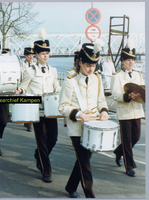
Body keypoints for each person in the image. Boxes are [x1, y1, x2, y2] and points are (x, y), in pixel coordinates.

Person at [58, 41, 109, 198]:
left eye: (93, 65)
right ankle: (90, 195)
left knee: (83, 160)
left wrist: (104, 111)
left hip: (93, 126)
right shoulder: (70, 80)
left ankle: (70, 187)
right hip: (77, 128)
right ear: (80, 62)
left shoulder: (97, 79)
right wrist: (79, 114)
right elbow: (62, 106)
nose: (90, 68)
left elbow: (101, 101)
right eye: (87, 65)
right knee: (85, 164)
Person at [14, 29, 61, 183]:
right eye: (42, 53)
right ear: (36, 54)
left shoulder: (53, 71)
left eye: (47, 53)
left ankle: (38, 155)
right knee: (41, 139)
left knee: (53, 138)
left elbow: (57, 88)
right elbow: (24, 86)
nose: (45, 55)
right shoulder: (30, 71)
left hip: (51, 109)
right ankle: (46, 169)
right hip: (36, 109)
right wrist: (19, 90)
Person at [111, 40, 144, 177]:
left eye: (132, 60)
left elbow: (142, 89)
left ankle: (118, 151)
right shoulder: (117, 76)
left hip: (136, 110)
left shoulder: (138, 74)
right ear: (122, 61)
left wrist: (140, 94)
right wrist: (127, 95)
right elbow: (114, 94)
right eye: (127, 60)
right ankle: (129, 166)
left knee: (136, 137)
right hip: (125, 111)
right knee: (127, 139)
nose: (130, 62)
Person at [21, 46, 35, 132]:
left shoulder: (36, 65)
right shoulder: (21, 65)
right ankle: (26, 120)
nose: (30, 57)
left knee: (30, 106)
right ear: (25, 56)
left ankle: (29, 124)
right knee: (24, 105)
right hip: (24, 86)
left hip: (31, 88)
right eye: (28, 55)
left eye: (32, 55)